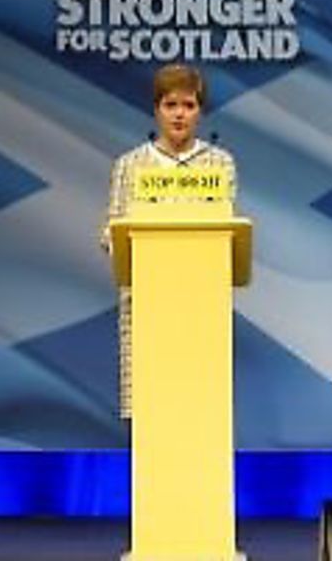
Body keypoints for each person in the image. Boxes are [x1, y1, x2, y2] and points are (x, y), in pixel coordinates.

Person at [102, 62, 237, 420]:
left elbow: (225, 229)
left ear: (201, 111)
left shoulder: (219, 164)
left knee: (200, 411)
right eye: (170, 104)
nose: (179, 114)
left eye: (188, 105)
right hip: (147, 306)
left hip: (200, 307)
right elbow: (111, 234)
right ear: (156, 109)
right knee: (154, 414)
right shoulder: (130, 165)